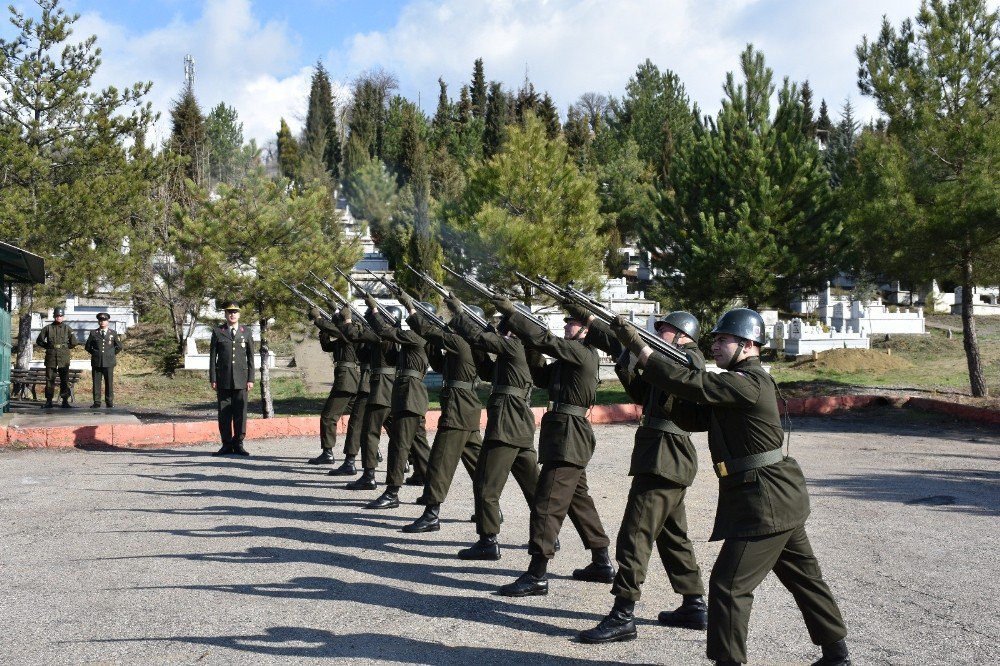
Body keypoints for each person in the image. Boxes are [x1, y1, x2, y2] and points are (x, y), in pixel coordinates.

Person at [612, 308, 851, 666]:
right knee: (805, 580)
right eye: (717, 340)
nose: (716, 346)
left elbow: (696, 385)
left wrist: (643, 350)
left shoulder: (748, 382)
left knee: (728, 586)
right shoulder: (735, 383)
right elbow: (695, 416)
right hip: (774, 497)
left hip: (765, 501)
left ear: (749, 344)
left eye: (724, 340)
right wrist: (661, 384)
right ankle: (837, 656)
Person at [575, 309, 708, 644]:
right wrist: (622, 352)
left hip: (665, 458)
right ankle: (693, 604)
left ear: (681, 334)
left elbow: (667, 374)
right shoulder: (672, 360)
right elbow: (642, 395)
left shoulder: (688, 360)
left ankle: (622, 615)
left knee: (635, 535)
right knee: (672, 535)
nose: (657, 334)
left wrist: (634, 342)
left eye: (662, 330)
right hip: (662, 458)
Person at [493, 297, 612, 597]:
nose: (567, 324)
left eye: (572, 321)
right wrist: (525, 339)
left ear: (586, 329)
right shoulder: (569, 358)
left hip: (569, 437)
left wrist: (514, 315)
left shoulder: (582, 353)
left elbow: (547, 341)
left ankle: (537, 574)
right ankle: (601, 560)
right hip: (564, 435)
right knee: (577, 501)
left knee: (546, 505)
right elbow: (542, 374)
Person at [446, 295, 539, 560]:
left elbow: (481, 338)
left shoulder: (513, 346)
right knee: (534, 487)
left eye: (505, 323)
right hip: (518, 425)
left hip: (506, 425)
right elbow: (486, 370)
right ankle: (546, 536)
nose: (500, 326)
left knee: (486, 486)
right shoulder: (517, 349)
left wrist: (460, 313)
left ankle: (488, 541)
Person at [397, 292, 483, 534]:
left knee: (438, 464)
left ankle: (431, 514)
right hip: (466, 410)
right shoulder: (468, 346)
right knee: (478, 466)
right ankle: (489, 509)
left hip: (457, 411)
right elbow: (438, 363)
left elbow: (429, 332)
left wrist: (411, 309)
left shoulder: (461, 343)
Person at [364, 293, 432, 510]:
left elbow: (385, 331)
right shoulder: (414, 340)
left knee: (399, 444)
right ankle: (427, 481)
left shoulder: (417, 338)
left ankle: (392, 492)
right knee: (418, 444)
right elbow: (392, 356)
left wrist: (373, 311)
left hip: (410, 396)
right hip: (409, 396)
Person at [338, 305, 397, 491]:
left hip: (381, 389)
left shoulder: (384, 335)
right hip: (386, 388)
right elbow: (362, 355)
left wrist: (349, 321)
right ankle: (414, 466)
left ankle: (369, 476)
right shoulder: (389, 336)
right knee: (397, 432)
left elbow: (355, 334)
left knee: (369, 433)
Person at [306, 308, 361, 467]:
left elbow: (333, 330)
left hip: (346, 380)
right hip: (350, 380)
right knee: (360, 418)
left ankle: (327, 453)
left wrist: (318, 319)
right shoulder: (343, 338)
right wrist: (323, 330)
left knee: (328, 417)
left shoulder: (348, 333)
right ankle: (374, 450)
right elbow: (327, 346)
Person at [209, 301, 255, 456]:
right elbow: (212, 358)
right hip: (223, 379)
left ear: (239, 314)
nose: (232, 314)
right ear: (225, 314)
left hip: (242, 379)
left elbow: (250, 358)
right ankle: (226, 444)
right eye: (229, 312)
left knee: (240, 412)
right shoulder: (218, 331)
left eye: (235, 312)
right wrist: (213, 378)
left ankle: (239, 443)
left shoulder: (246, 331)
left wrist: (251, 378)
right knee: (224, 413)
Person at [35, 306, 78, 408]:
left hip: (63, 357)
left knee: (64, 379)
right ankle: (49, 401)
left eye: (60, 316)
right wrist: (48, 346)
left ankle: (65, 401)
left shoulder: (67, 328)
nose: (58, 317)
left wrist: (65, 348)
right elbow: (39, 340)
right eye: (57, 316)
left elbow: (74, 342)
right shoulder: (48, 328)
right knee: (50, 379)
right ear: (54, 316)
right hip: (51, 356)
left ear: (63, 317)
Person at [84, 312, 123, 408]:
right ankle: (97, 402)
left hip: (109, 362)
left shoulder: (113, 333)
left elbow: (119, 346)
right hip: (97, 362)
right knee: (96, 383)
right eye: (100, 320)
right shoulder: (93, 333)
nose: (102, 322)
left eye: (104, 320)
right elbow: (88, 347)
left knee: (109, 383)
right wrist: (95, 353)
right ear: (98, 322)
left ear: (108, 321)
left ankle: (109, 401)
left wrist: (111, 354)